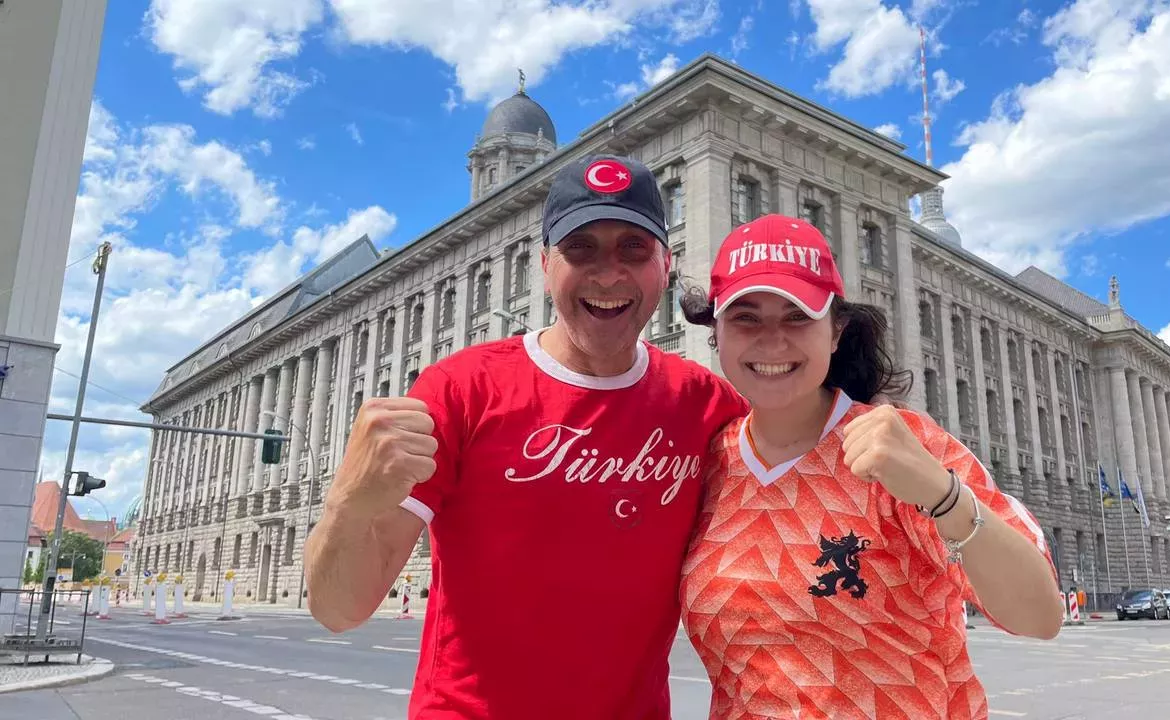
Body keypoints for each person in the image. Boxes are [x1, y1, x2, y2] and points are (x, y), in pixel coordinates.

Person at [303, 154, 749, 719]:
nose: (608, 274)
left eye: (632, 250)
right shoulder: (460, 390)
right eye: (580, 249)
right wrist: (346, 501)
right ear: (544, 265)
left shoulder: (706, 405)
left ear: (666, 264)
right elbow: (339, 611)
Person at [677, 214, 1063, 720]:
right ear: (716, 333)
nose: (772, 340)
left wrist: (942, 494)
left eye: (797, 316)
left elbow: (1039, 616)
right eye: (745, 317)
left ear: (836, 331)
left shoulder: (903, 444)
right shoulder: (708, 463)